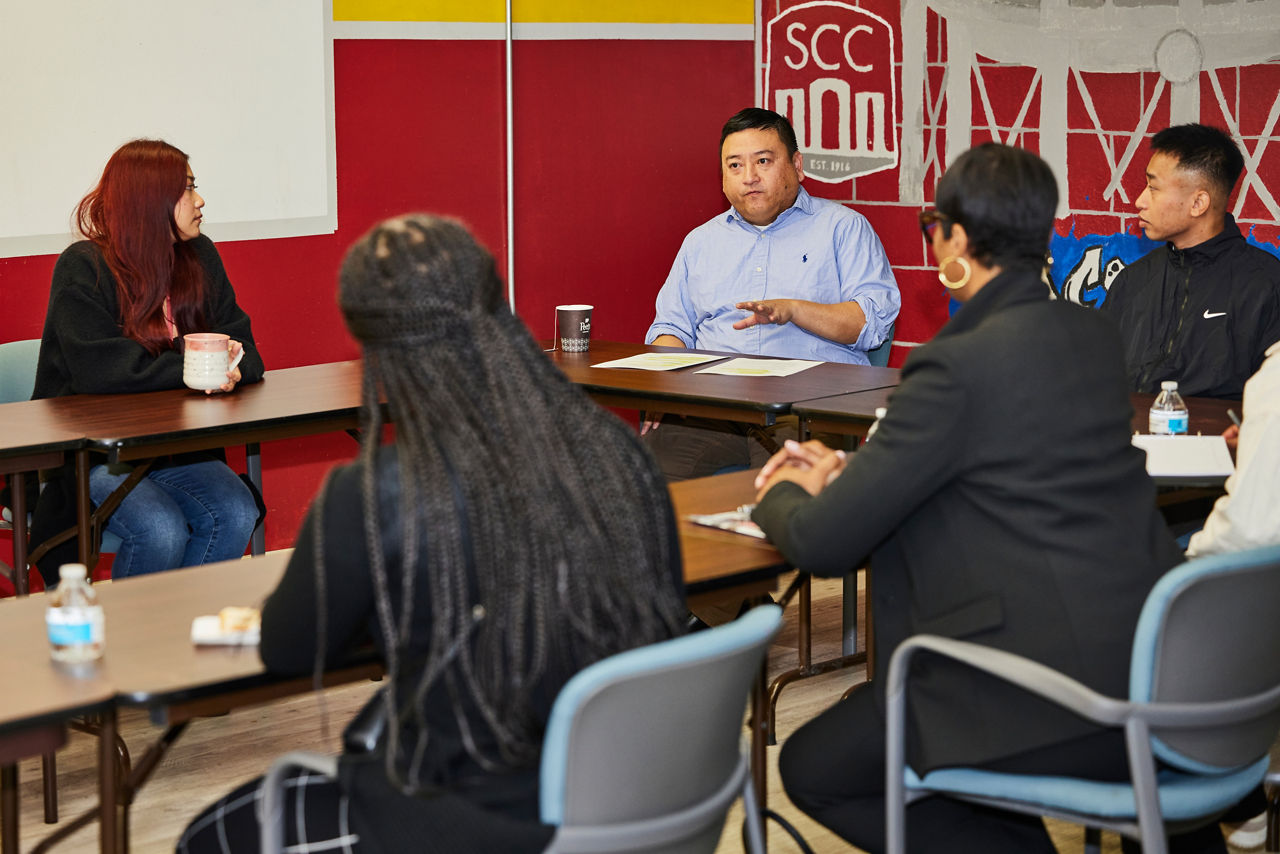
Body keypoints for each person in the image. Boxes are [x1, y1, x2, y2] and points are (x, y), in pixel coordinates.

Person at [178, 215, 685, 853]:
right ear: (493, 301)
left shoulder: (370, 495)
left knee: (206, 838)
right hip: (639, 795)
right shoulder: (617, 450)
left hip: (475, 816)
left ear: (375, 345)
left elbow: (287, 649)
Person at [751, 144, 1203, 852]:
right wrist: (874, 471)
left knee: (817, 768)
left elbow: (822, 542)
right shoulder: (1087, 336)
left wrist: (781, 487)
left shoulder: (955, 362)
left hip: (1033, 690)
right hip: (1147, 662)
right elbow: (1004, 466)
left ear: (954, 240)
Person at [29, 139, 263, 583]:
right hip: (94, 453)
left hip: (175, 447)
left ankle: (184, 639)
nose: (200, 200)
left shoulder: (200, 257)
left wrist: (232, 367)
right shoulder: (84, 267)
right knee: (159, 529)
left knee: (237, 510)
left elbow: (245, 347)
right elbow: (103, 370)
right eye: (187, 189)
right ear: (151, 201)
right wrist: (204, 368)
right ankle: (132, 648)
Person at [642, 107, 900, 479]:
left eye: (763, 161)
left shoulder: (844, 229)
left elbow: (871, 323)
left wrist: (794, 310)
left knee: (785, 493)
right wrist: (660, 387)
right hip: (714, 406)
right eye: (734, 166)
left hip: (812, 407)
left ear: (797, 165)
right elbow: (672, 327)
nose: (749, 177)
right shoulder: (700, 242)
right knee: (641, 473)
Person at [1101, 123, 1280, 399]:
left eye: (1153, 187)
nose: (1139, 200)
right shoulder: (1131, 281)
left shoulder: (1266, 286)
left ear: (1198, 203)